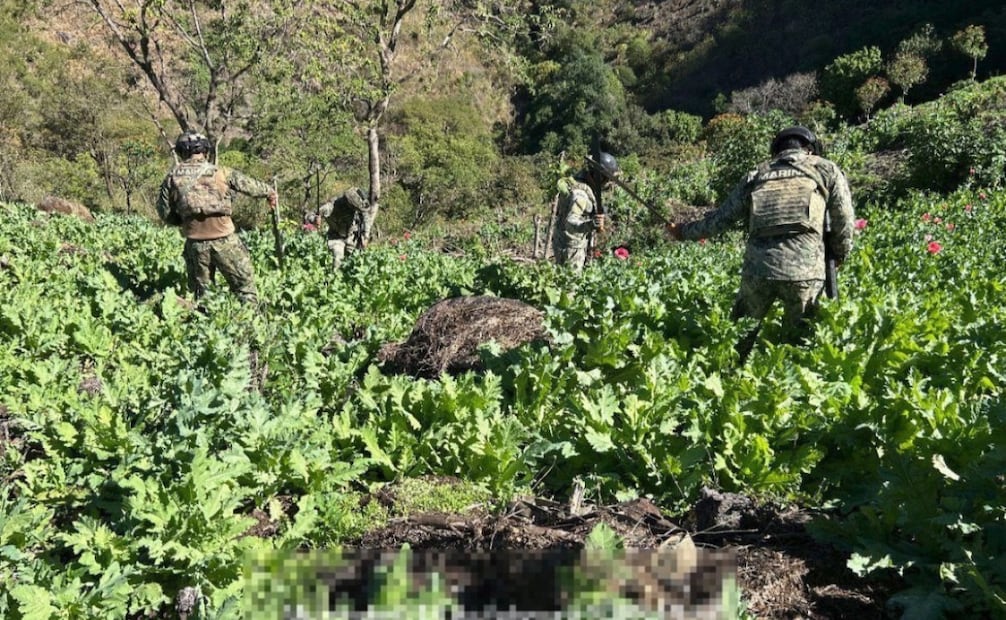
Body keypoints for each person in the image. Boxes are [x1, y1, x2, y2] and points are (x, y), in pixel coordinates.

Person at [666, 126, 855, 358]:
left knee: (738, 342)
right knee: (798, 348)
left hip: (758, 272)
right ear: (809, 149)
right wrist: (839, 255)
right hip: (805, 273)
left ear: (776, 151)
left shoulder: (756, 175)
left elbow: (720, 219)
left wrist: (683, 231)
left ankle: (729, 381)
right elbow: (844, 220)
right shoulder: (826, 170)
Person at [155, 131, 277, 304]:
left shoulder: (171, 178)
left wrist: (183, 221)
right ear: (205, 151)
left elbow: (164, 212)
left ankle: (205, 326)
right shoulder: (222, 172)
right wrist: (270, 193)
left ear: (181, 152)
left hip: (195, 245)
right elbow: (253, 187)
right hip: (225, 240)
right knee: (245, 289)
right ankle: (250, 325)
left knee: (203, 297)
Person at [552, 152, 618, 272]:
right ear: (598, 177)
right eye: (605, 180)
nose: (606, 184)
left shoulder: (580, 182)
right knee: (570, 285)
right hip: (570, 248)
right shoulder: (580, 195)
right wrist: (592, 224)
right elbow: (570, 222)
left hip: (570, 242)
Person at [318, 187, 374, 269]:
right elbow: (313, 214)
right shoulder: (332, 206)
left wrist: (366, 236)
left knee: (357, 263)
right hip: (336, 237)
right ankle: (333, 279)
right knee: (338, 259)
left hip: (352, 238)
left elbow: (366, 219)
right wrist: (315, 218)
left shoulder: (360, 208)